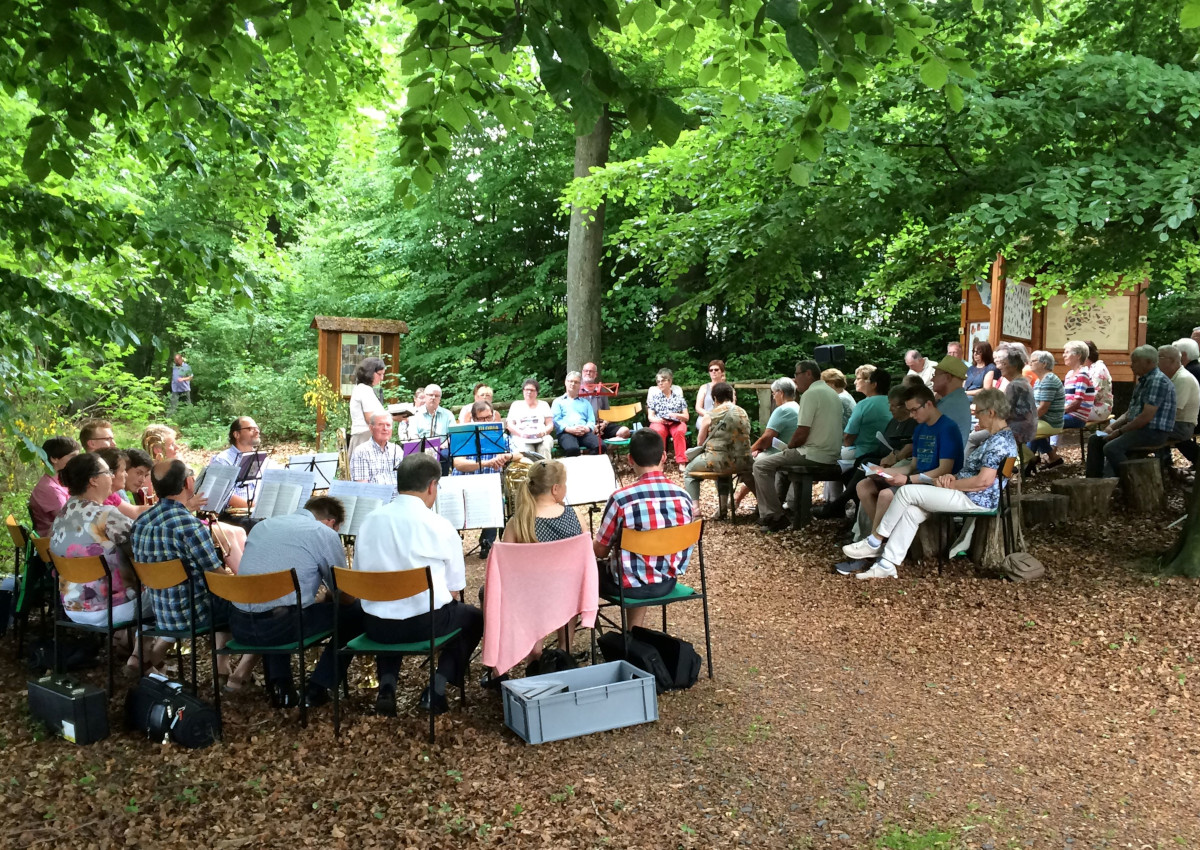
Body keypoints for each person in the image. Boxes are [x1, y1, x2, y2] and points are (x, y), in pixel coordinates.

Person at [355, 453, 484, 717]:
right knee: (472, 617)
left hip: (377, 627)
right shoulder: (439, 524)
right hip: (426, 625)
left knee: (389, 604)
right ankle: (436, 688)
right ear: (431, 486)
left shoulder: (368, 522)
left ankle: (387, 687)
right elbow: (455, 585)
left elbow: (360, 576)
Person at [843, 388, 1018, 579]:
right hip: (968, 492)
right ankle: (887, 563)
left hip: (975, 498)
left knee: (906, 492)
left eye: (977, 413)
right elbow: (978, 477)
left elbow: (983, 482)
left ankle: (875, 541)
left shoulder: (999, 442)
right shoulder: (997, 438)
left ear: (991, 413)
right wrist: (953, 478)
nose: (976, 418)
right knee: (911, 512)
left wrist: (950, 484)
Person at [130, 460, 258, 685]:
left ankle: (221, 667)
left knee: (219, 595)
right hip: (192, 613)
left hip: (159, 610)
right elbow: (217, 576)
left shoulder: (141, 521)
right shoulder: (188, 525)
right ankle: (234, 674)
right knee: (252, 603)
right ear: (189, 483)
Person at [231, 495, 363, 708]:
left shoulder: (262, 526)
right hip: (280, 626)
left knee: (279, 603)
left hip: (240, 624)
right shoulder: (323, 533)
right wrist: (329, 596)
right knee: (356, 613)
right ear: (331, 523)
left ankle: (282, 686)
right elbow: (345, 596)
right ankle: (318, 688)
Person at [839, 383, 965, 574]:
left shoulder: (947, 428)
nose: (912, 416)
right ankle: (881, 542)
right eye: (909, 411)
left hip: (938, 485)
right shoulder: (921, 429)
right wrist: (884, 471)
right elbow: (913, 465)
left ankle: (874, 545)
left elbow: (944, 470)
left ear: (929, 404)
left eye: (914, 410)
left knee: (885, 495)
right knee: (864, 485)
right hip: (918, 480)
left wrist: (907, 480)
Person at [49, 454, 142, 675]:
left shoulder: (61, 515)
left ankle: (131, 649)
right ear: (93, 480)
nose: (112, 476)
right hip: (109, 609)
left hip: (72, 607)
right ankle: (142, 659)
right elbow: (142, 549)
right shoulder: (105, 515)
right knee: (165, 597)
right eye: (107, 473)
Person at [594, 430, 695, 629]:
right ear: (664, 456)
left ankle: (578, 639)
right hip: (667, 581)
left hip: (627, 587)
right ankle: (633, 632)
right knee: (637, 562)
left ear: (630, 459)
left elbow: (600, 550)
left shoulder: (622, 499)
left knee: (586, 570)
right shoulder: (684, 497)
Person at [501, 459, 585, 653]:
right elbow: (585, 556)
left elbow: (505, 563)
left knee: (531, 589)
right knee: (564, 587)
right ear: (556, 489)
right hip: (568, 592)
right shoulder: (575, 516)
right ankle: (564, 649)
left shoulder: (518, 521)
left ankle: (535, 653)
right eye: (565, 484)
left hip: (530, 595)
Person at [753, 360, 843, 532]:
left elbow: (802, 432)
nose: (795, 379)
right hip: (832, 454)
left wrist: (790, 447)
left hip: (813, 454)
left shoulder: (811, 394)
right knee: (780, 464)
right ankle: (785, 509)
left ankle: (774, 516)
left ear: (808, 374)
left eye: (797, 374)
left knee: (760, 465)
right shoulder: (832, 394)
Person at [1086, 344, 1177, 478]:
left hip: (1153, 432)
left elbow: (1145, 417)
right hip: (1138, 429)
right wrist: (1112, 427)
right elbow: (1130, 412)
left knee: (1111, 447)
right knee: (1096, 438)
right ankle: (1095, 482)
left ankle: (1132, 480)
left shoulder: (1157, 381)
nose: (1131, 365)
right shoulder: (1143, 381)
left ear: (1149, 362)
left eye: (1135, 361)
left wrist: (1119, 431)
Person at [452, 400, 512, 559]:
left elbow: (518, 454)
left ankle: (487, 542)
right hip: (463, 484)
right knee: (450, 502)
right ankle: (453, 542)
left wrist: (506, 456)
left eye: (489, 417)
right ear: (473, 419)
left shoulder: (500, 436)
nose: (486, 422)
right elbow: (458, 464)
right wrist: (486, 463)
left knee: (497, 499)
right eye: (482, 419)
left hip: (489, 485)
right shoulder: (463, 436)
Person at [734, 377, 800, 512]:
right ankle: (757, 501)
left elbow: (766, 438)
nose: (773, 397)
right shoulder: (797, 407)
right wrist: (761, 448)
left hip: (778, 454)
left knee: (743, 464)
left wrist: (751, 450)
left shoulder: (782, 410)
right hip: (784, 450)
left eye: (773, 393)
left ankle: (766, 505)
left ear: (780, 393)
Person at [683, 382, 751, 502]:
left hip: (719, 462)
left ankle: (696, 509)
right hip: (744, 461)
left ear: (714, 398)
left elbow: (700, 442)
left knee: (688, 472)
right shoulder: (743, 412)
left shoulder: (710, 415)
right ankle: (723, 507)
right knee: (723, 469)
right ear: (731, 396)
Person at [1042, 340, 1096, 468]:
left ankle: (1035, 458)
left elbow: (1077, 403)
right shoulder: (1070, 374)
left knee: (1039, 423)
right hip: (1069, 414)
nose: (1063, 355)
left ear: (1077, 355)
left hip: (1077, 417)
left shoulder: (1082, 374)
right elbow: (1065, 399)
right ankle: (1047, 457)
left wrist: (1057, 412)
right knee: (1036, 422)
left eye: (1066, 352)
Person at [208, 416, 266, 508]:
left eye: (257, 428)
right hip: (235, 514)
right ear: (236, 434)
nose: (257, 431)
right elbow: (222, 494)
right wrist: (254, 507)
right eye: (251, 429)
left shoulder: (263, 458)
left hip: (260, 510)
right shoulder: (222, 460)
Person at [1157, 344, 1199, 467]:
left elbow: (1174, 410)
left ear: (1172, 360)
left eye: (1159, 357)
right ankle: (1163, 466)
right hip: (1175, 423)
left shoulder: (1183, 379)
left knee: (1143, 432)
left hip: (1182, 425)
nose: (1156, 361)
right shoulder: (1173, 377)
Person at [29, 436, 79, 535]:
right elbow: (68, 519)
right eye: (73, 456)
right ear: (54, 459)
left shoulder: (61, 482)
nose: (78, 460)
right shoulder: (49, 489)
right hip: (52, 543)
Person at [1026, 350, 1066, 472]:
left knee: (1025, 427)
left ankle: (1026, 461)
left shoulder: (1049, 379)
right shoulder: (1039, 380)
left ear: (1044, 364)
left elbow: (1043, 408)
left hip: (1051, 421)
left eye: (1033, 361)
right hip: (1043, 419)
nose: (1030, 363)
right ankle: (1052, 458)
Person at [645, 368, 689, 464]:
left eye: (663, 381)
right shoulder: (654, 398)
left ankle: (681, 462)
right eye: (658, 381)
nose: (660, 383)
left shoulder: (679, 398)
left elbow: (686, 416)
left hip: (675, 422)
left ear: (670, 382)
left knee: (679, 431)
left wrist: (677, 415)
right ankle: (659, 461)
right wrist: (658, 420)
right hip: (660, 422)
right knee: (658, 430)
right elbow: (650, 417)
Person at [350, 412, 405, 487]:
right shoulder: (361, 451)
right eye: (380, 425)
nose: (385, 429)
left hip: (398, 497)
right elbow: (362, 487)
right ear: (371, 428)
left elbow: (404, 480)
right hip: (373, 497)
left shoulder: (397, 450)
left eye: (388, 425)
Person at [552, 371, 600, 457]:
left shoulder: (585, 403)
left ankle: (590, 467)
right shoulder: (558, 402)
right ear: (565, 382)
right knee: (572, 449)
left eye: (576, 382)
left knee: (600, 446)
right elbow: (556, 420)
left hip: (584, 432)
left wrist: (586, 428)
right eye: (570, 381)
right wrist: (569, 429)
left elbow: (591, 420)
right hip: (566, 433)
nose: (573, 384)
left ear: (580, 385)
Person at [347, 357, 387, 458]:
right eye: (380, 374)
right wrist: (392, 417)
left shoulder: (362, 389)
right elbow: (370, 418)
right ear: (370, 372)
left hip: (366, 436)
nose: (382, 378)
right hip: (365, 437)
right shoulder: (364, 390)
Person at [581, 362, 631, 441]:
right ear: (582, 372)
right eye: (586, 371)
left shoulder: (601, 389)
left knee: (624, 431)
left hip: (601, 424)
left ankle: (607, 450)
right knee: (590, 439)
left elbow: (607, 412)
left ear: (596, 374)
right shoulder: (576, 391)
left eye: (591, 371)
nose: (588, 373)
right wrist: (591, 427)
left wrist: (604, 424)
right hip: (585, 426)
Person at [507, 377, 555, 457]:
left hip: (541, 436)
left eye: (532, 390)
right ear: (523, 391)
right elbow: (510, 425)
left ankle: (545, 468)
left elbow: (550, 424)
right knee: (527, 450)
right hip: (522, 437)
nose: (529, 392)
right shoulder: (516, 405)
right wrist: (520, 434)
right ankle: (531, 469)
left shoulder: (543, 405)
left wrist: (544, 432)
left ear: (536, 392)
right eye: (526, 390)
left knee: (545, 446)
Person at [932, 356, 971, 445]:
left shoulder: (952, 404)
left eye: (935, 375)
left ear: (948, 377)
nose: (932, 379)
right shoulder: (956, 399)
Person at [695, 360, 736, 427]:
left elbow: (732, 406)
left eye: (716, 370)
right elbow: (698, 407)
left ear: (722, 372)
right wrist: (710, 415)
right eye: (711, 370)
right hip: (705, 417)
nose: (713, 371)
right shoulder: (704, 388)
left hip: (723, 418)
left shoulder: (729, 389)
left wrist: (719, 416)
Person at [1085, 340, 1114, 422]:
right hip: (1092, 407)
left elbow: (1093, 394)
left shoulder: (1098, 368)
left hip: (1099, 409)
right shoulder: (1090, 368)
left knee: (1060, 416)